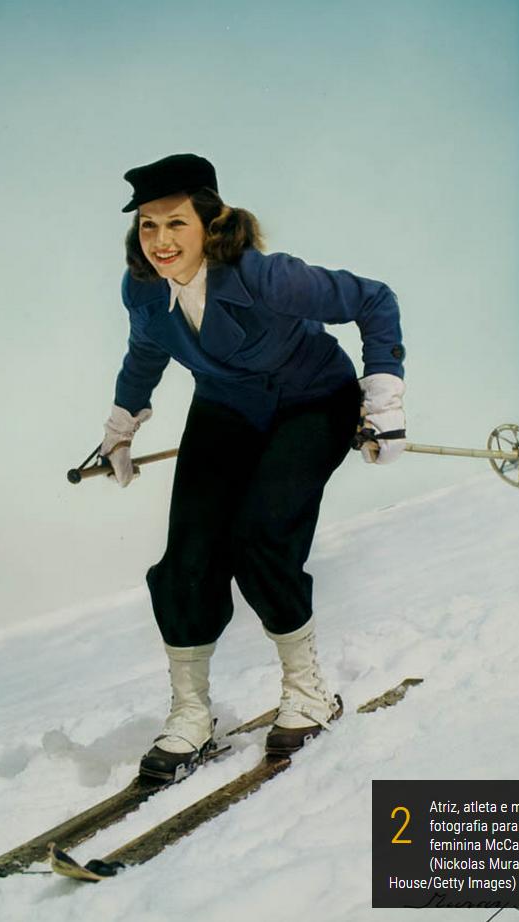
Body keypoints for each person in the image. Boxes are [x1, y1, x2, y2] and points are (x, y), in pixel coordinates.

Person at [99, 153, 406, 782]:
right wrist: (120, 427)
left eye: (176, 224)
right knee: (187, 555)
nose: (160, 240)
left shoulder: (263, 276)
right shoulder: (143, 290)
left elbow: (374, 299)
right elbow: (144, 354)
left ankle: (310, 694)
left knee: (261, 536)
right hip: (227, 407)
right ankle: (190, 714)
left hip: (312, 402)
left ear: (209, 223)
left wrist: (384, 398)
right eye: (149, 225)